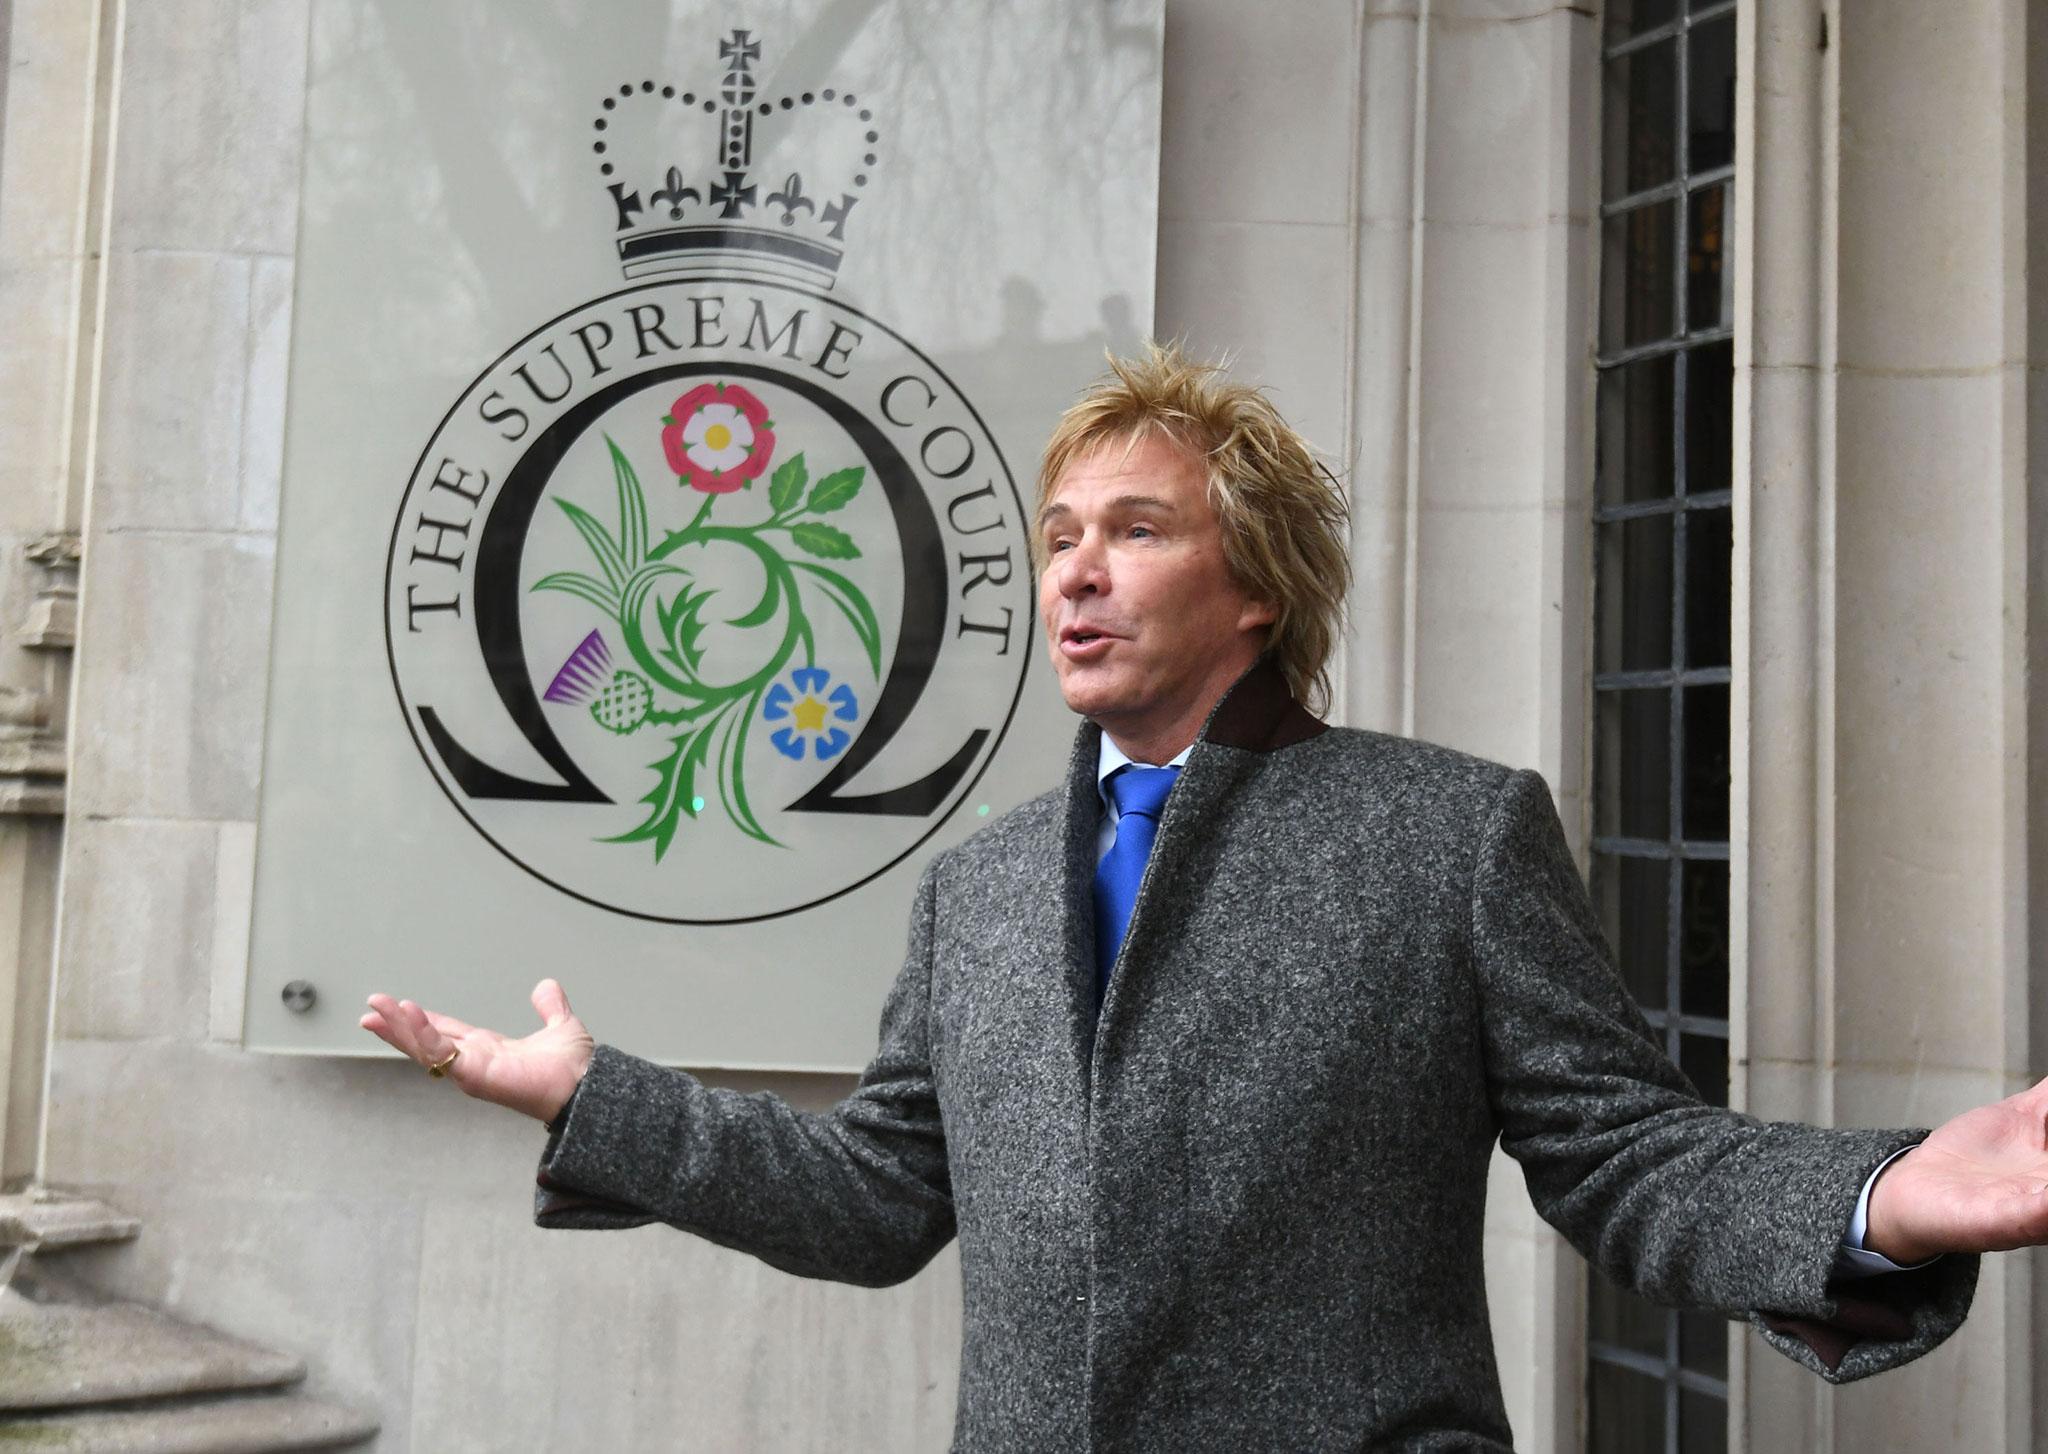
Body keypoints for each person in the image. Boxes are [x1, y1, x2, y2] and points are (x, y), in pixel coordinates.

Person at [364, 344, 2048, 1451]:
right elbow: (878, 1196)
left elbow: (1623, 1158)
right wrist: (600, 1100)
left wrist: (1882, 1194)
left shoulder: (1445, 834)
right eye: (1059, 533)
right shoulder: (977, 891)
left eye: (1138, 529)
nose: (1076, 571)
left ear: (1254, 588)